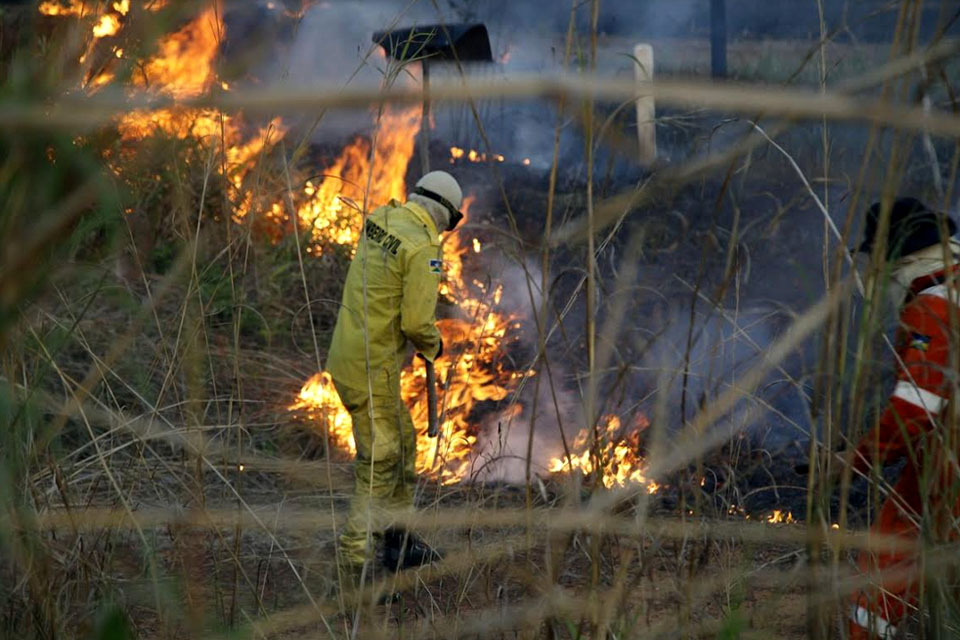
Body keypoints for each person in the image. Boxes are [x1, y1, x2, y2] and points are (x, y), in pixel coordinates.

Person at [325, 170, 464, 586]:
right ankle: (358, 565)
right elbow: (418, 322)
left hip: (348, 356)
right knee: (381, 462)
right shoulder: (424, 249)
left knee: (403, 443)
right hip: (372, 369)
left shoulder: (382, 219)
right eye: (453, 222)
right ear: (446, 214)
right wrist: (434, 344)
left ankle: (397, 540)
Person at [847, 196, 959, 639]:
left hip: (949, 464)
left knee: (886, 565)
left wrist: (854, 462)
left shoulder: (934, 307)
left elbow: (915, 410)